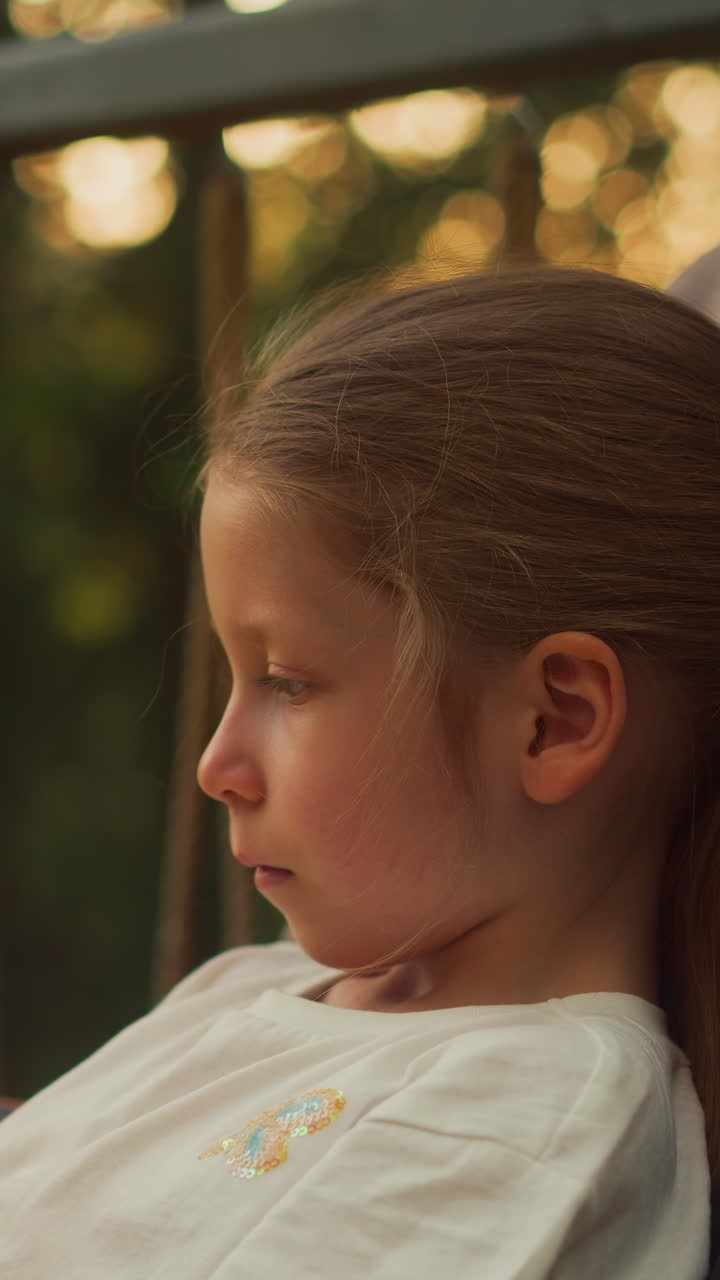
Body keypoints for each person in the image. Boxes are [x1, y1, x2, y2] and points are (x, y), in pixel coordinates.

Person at [0, 265, 717, 1279]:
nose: (216, 766)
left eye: (286, 681)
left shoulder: (527, 1115)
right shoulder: (253, 986)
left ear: (554, 720)